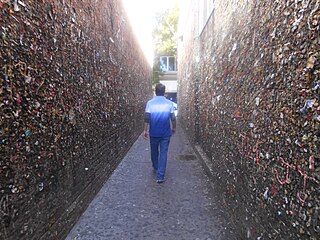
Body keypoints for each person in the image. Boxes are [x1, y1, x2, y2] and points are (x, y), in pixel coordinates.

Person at [143, 83, 176, 183]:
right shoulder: (169, 104)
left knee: (154, 151)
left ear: (155, 92)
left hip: (154, 133)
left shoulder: (150, 103)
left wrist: (145, 130)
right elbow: (173, 118)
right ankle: (160, 176)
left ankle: (156, 167)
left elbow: (147, 118)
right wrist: (174, 128)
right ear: (164, 92)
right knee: (163, 153)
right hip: (165, 133)